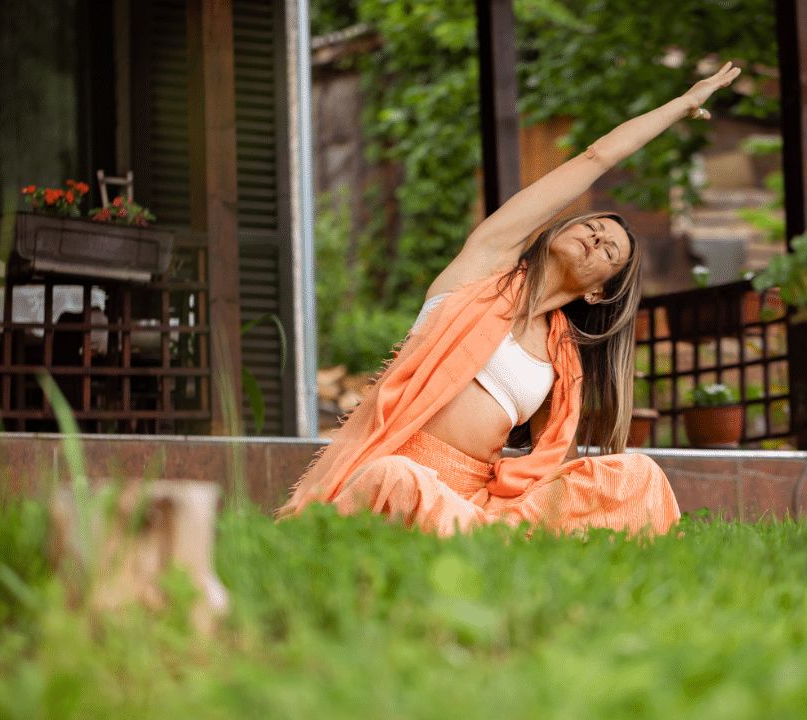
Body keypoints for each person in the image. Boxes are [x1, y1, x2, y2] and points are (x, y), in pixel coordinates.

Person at [281, 61, 743, 536]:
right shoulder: (481, 271)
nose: (596, 238)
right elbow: (594, 159)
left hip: (477, 505)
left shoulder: (559, 361)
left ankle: (487, 539)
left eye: (610, 250)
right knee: (395, 478)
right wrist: (680, 106)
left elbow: (553, 465)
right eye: (594, 226)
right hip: (403, 473)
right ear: (562, 227)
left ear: (598, 289)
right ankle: (475, 541)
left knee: (637, 475)